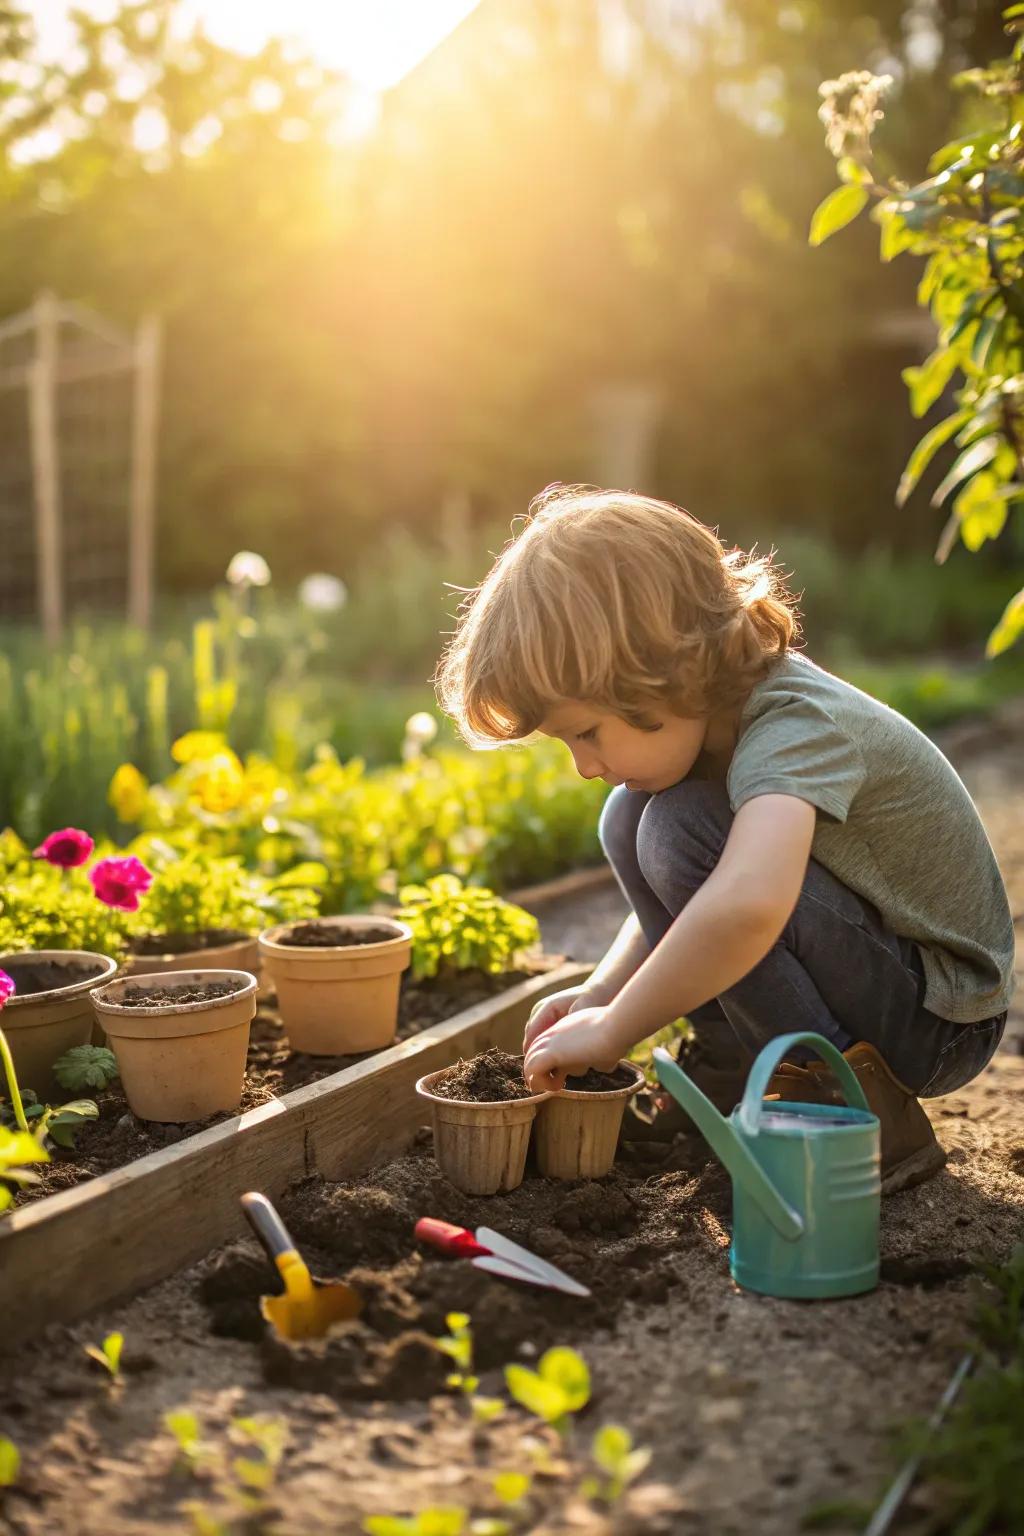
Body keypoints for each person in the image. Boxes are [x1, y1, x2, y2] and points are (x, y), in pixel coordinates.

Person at [434, 486, 1014, 1192]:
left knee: (677, 829)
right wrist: (600, 992)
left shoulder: (796, 722)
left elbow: (745, 906)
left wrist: (618, 1029)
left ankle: (848, 1108)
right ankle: (740, 1062)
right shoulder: (712, 727)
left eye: (587, 732)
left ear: (666, 669)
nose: (584, 765)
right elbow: (708, 902)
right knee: (630, 816)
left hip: (941, 1016)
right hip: (888, 976)